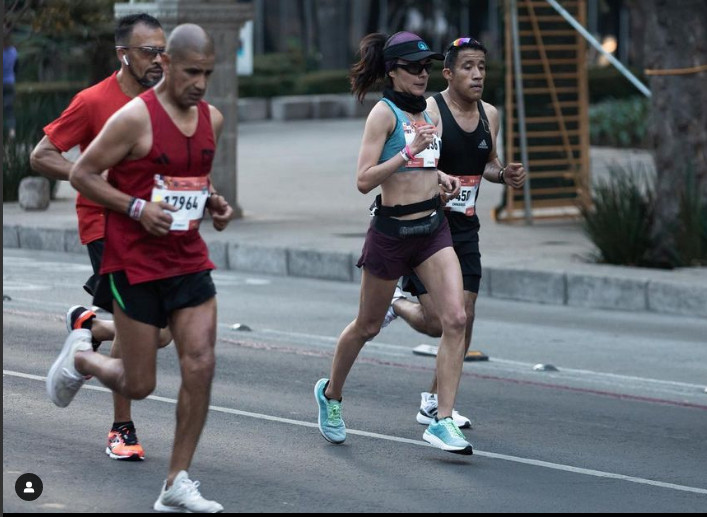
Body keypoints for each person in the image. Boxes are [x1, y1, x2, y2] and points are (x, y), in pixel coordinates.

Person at [45, 23, 233, 513]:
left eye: (208, 74)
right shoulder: (133, 118)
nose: (200, 83)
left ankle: (176, 481)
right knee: (139, 383)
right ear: (167, 64)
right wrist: (134, 208)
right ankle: (82, 358)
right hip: (133, 260)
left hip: (188, 258)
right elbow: (84, 175)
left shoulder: (211, 116)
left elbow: (189, 175)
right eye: (192, 71)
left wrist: (212, 201)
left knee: (201, 362)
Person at [314, 31, 473, 455]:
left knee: (453, 319)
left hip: (432, 230)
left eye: (426, 67)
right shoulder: (382, 116)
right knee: (366, 325)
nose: (422, 75)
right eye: (413, 68)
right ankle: (331, 395)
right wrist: (407, 152)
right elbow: (364, 180)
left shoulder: (431, 113)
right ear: (392, 71)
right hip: (391, 233)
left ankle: (441, 420)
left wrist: (442, 179)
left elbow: (426, 165)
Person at [30, 13, 172, 462]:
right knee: (138, 333)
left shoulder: (165, 100)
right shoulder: (94, 101)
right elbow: (42, 154)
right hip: (106, 225)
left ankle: (88, 328)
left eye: (162, 50)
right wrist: (93, 178)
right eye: (148, 51)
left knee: (163, 333)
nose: (157, 59)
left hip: (153, 223)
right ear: (123, 54)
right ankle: (121, 429)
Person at [382, 37, 526, 427]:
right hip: (429, 226)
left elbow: (488, 164)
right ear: (448, 73)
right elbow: (408, 162)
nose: (477, 74)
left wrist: (503, 174)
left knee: (464, 317)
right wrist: (435, 183)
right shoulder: (429, 110)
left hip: (467, 228)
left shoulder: (490, 115)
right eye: (467, 67)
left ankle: (435, 403)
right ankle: (396, 302)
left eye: (481, 66)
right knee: (437, 323)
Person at [3, 32, 18, 139]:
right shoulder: (14, 51)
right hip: (10, 82)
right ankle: (11, 131)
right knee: (9, 109)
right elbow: (16, 68)